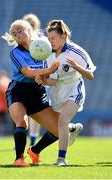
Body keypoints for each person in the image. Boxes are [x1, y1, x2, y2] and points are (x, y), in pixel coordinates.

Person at [35, 19, 96, 166]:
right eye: (49, 39)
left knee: (62, 122)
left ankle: (61, 159)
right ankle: (73, 128)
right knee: (59, 125)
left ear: (63, 37)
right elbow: (53, 81)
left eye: (53, 38)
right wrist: (42, 80)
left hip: (74, 89)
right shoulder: (48, 54)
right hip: (57, 92)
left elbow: (90, 76)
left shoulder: (76, 52)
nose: (51, 42)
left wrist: (77, 67)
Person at [2, 19, 61, 167]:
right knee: (22, 122)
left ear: (29, 30)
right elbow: (27, 72)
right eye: (15, 33)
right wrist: (47, 71)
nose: (18, 34)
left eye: (20, 30)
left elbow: (49, 69)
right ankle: (19, 159)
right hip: (18, 91)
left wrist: (46, 76)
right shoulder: (15, 53)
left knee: (59, 130)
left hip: (36, 92)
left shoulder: (44, 47)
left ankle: (35, 150)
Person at [22, 13, 42, 146]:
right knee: (29, 113)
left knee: (34, 114)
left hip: (36, 79)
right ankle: (28, 140)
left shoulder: (39, 40)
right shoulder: (23, 41)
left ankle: (32, 141)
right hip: (29, 78)